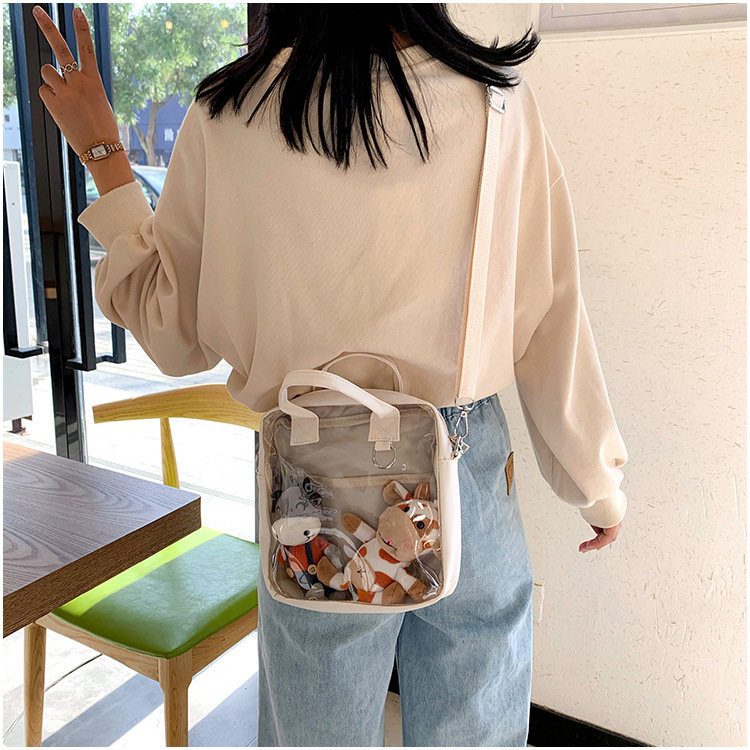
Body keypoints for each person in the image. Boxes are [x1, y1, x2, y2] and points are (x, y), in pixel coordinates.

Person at [32, 3, 629, 746]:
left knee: (315, 732)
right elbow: (551, 313)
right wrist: (594, 483)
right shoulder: (495, 101)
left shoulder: (228, 115)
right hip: (464, 457)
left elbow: (171, 331)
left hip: (312, 475)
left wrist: (103, 154)